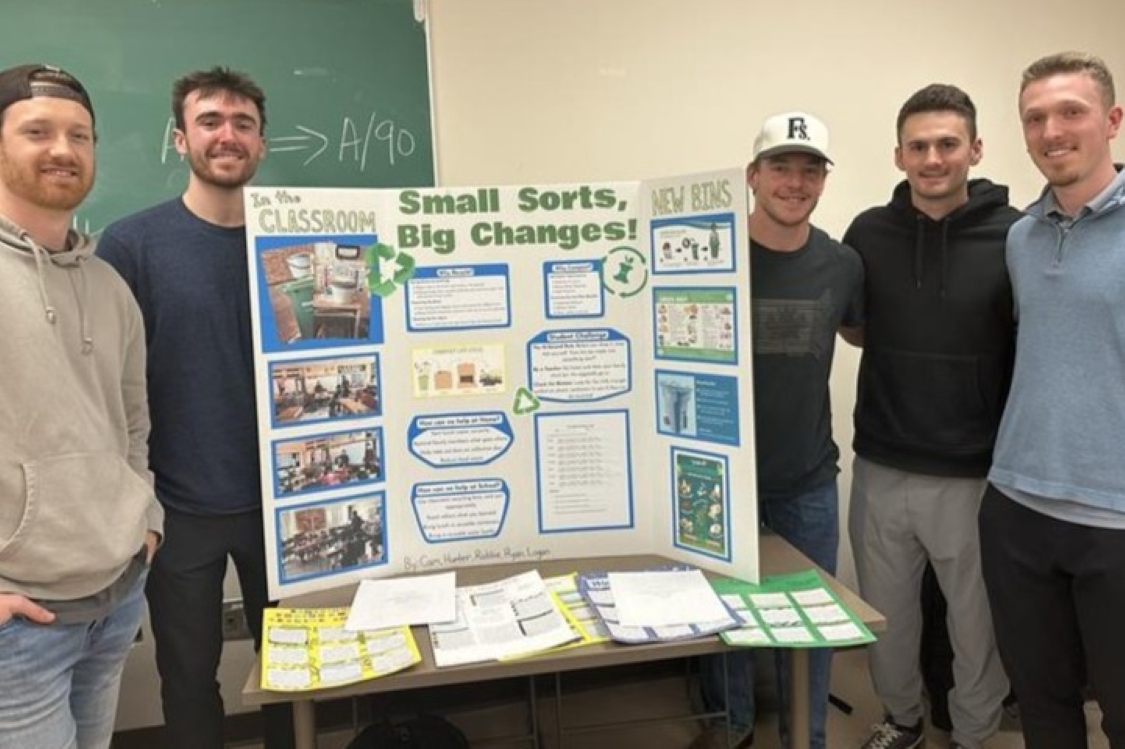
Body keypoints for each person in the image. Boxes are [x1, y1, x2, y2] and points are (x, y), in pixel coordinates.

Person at [96, 67, 293, 749]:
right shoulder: (131, 245)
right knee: (187, 676)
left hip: (290, 505)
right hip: (179, 508)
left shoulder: (301, 240)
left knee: (295, 670)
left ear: (262, 143)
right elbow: (107, 384)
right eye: (209, 121)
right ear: (180, 138)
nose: (227, 135)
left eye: (242, 123)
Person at [842, 84, 1018, 749]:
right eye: (917, 146)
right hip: (881, 462)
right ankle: (903, 718)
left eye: (947, 143)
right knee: (887, 617)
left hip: (974, 471)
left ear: (973, 148)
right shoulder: (867, 231)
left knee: (976, 624)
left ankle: (973, 733)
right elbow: (857, 327)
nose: (932, 158)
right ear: (897, 155)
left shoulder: (1016, 234)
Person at [0, 63, 162, 748]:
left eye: (80, 134)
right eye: (37, 130)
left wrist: (144, 518)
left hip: (116, 595)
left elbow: (133, 421)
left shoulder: (108, 284)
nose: (62, 149)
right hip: (20, 624)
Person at [691, 111, 864, 749]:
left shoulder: (844, 265)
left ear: (823, 180)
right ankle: (731, 730)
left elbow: (859, 331)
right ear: (753, 176)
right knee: (724, 624)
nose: (795, 182)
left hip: (806, 482)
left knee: (808, 628)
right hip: (717, 482)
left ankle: (807, 738)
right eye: (781, 168)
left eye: (810, 169)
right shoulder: (708, 257)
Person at [981, 51, 1125, 749]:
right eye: (1034, 117)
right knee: (1043, 707)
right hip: (1015, 506)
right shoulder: (1019, 237)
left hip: (1115, 516)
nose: (1050, 131)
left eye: (1070, 111)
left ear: (1112, 120)